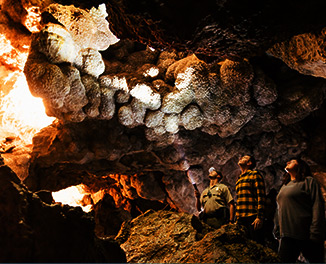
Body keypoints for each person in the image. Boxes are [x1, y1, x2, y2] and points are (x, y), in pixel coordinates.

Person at [274, 157, 325, 263]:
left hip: (305, 233)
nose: (287, 162)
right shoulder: (285, 185)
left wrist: (315, 230)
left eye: (292, 161)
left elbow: (317, 205)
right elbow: (280, 208)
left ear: (300, 166)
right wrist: (277, 226)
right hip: (287, 234)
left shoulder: (308, 181)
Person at [236, 155, 266, 244]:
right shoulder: (239, 179)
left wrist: (259, 217)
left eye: (245, 158)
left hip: (252, 216)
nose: (241, 158)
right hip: (241, 218)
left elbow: (261, 196)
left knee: (256, 244)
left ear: (249, 163)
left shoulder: (254, 175)